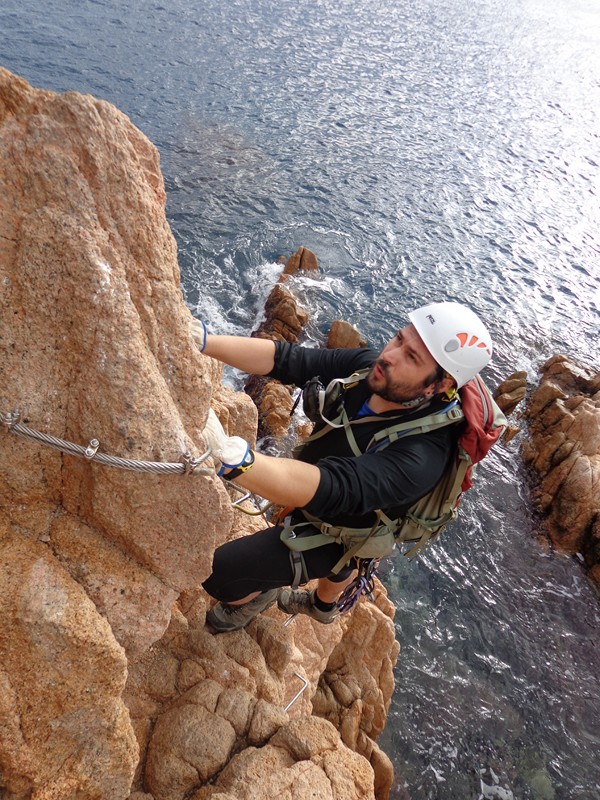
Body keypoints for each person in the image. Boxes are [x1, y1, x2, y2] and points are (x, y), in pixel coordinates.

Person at [199, 301, 493, 633]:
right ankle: (324, 606)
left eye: (412, 358)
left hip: (340, 532)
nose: (391, 355)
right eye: (399, 339)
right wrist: (205, 341)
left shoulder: (422, 457)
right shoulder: (370, 371)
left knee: (219, 574)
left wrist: (234, 459)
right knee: (345, 563)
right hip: (340, 508)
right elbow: (288, 360)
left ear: (439, 385)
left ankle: (261, 596)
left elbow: (334, 486)